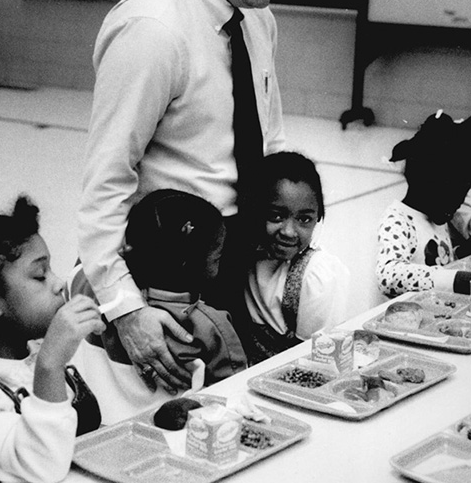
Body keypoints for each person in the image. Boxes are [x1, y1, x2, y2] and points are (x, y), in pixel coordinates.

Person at [78, 0, 305, 392]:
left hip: (239, 251)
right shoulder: (153, 29)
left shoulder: (256, 17)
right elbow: (105, 181)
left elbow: (269, 143)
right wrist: (124, 309)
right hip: (169, 270)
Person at [71, 189, 247, 424]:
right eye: (216, 258)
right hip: (170, 436)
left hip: (99, 426)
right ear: (191, 265)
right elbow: (234, 389)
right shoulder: (209, 324)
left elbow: (86, 265)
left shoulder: (86, 288)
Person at [0, 196, 105, 483]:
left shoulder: (37, 349)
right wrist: (50, 366)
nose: (59, 283)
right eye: (40, 275)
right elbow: (41, 467)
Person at [242, 151, 351, 365]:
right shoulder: (243, 252)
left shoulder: (316, 275)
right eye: (276, 216)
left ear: (318, 217)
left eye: (304, 219)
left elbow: (323, 361)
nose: (289, 232)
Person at [376, 111, 471, 298]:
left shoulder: (439, 220)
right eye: (455, 194)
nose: (460, 203)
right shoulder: (398, 220)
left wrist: (461, 255)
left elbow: (437, 263)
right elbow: (388, 276)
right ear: (429, 182)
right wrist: (456, 279)